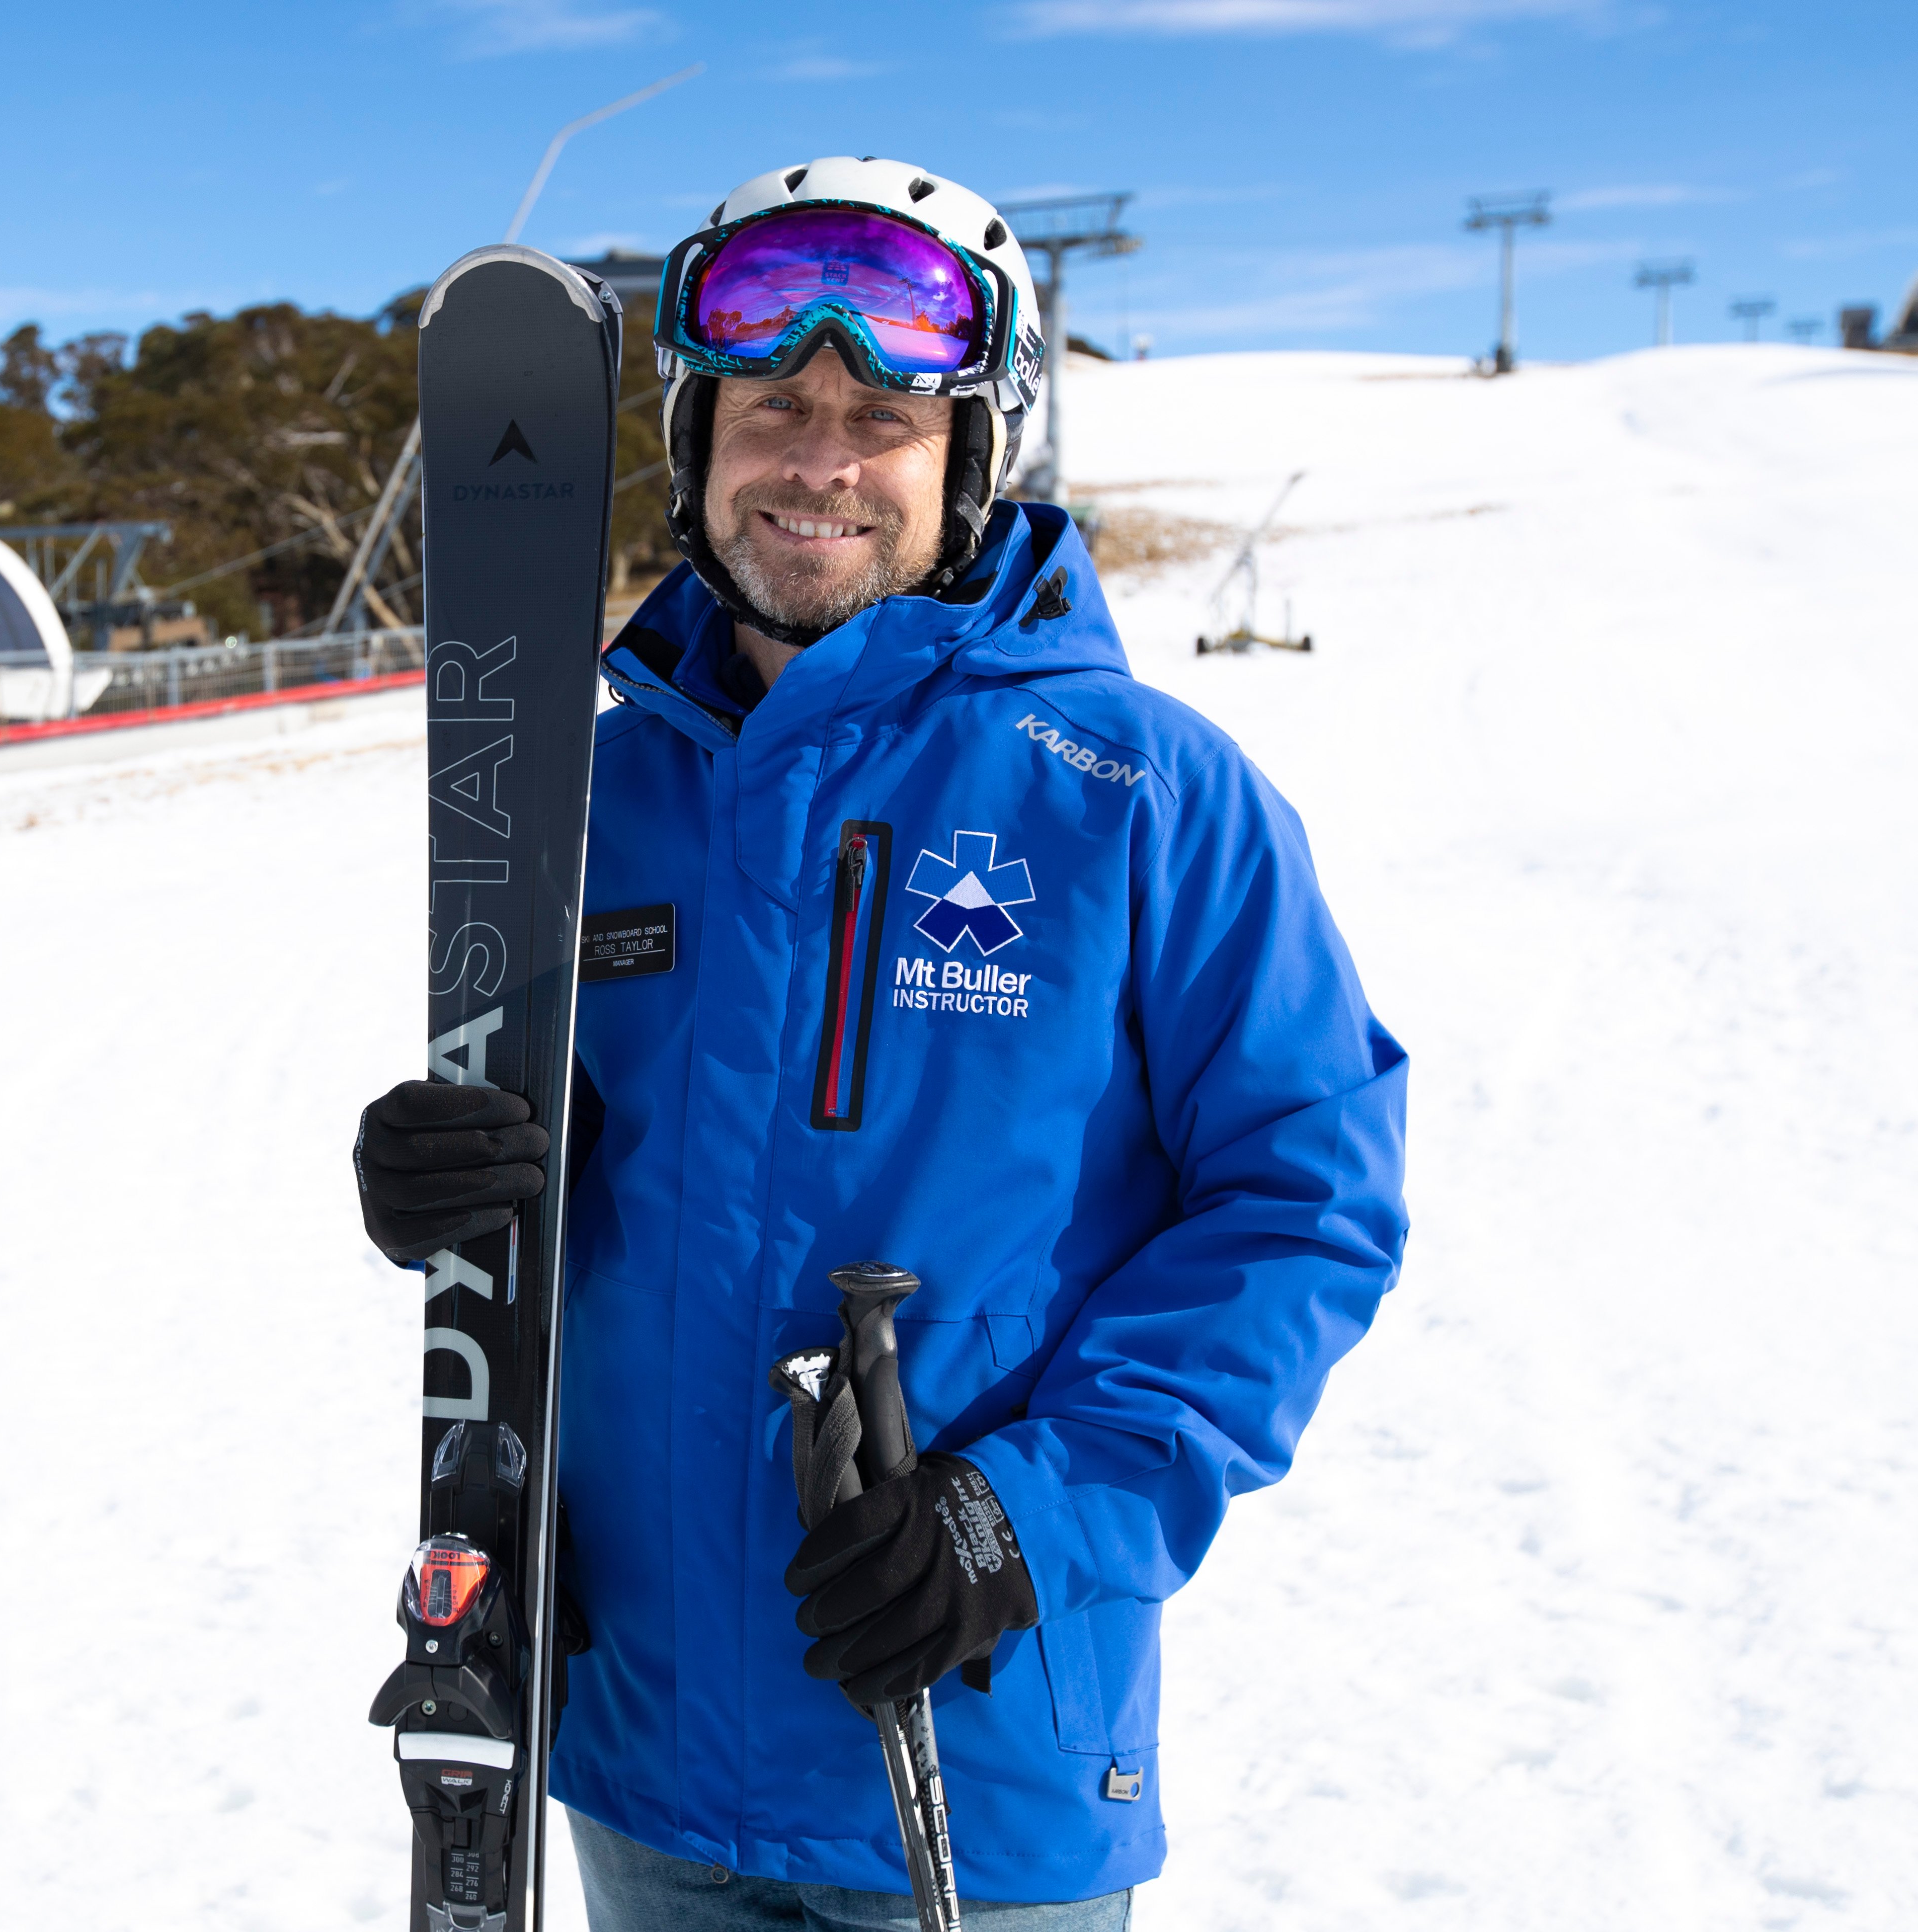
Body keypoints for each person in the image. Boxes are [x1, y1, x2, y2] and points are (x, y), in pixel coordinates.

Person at [354, 155, 1408, 1930]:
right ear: (697, 442)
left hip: (971, 1767)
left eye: (886, 415)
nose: (819, 459)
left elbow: (1305, 1211)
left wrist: (1025, 1525)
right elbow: (582, 1188)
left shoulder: (1145, 794)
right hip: (637, 1760)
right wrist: (458, 1178)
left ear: (972, 461)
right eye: (772, 403)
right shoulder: (589, 791)